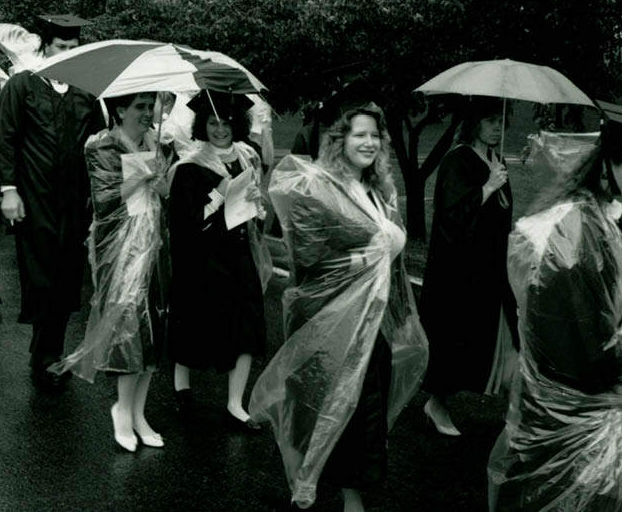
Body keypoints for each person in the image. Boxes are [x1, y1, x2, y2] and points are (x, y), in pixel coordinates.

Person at [249, 104, 428, 511]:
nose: (369, 142)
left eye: (374, 136)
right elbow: (308, 258)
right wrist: (364, 259)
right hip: (334, 321)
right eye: (359, 135)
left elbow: (392, 259)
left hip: (375, 319)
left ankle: (335, 486)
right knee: (339, 406)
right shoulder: (321, 190)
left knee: (363, 412)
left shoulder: (379, 192)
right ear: (339, 141)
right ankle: (332, 490)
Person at [487, 102, 622, 511]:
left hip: (595, 398)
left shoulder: (620, 215)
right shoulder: (574, 232)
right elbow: (575, 339)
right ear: (608, 164)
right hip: (575, 403)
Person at [50, 92, 171, 452]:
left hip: (156, 242)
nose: (149, 113)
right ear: (120, 110)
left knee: (154, 324)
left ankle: (139, 413)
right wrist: (142, 173)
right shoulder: (100, 145)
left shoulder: (155, 141)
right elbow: (104, 199)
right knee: (129, 323)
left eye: (151, 106)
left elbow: (163, 192)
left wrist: (161, 173)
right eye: (140, 107)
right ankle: (121, 408)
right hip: (119, 247)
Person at [0, 14, 104, 390]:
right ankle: (45, 356)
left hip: (74, 199)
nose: (67, 54)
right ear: (46, 47)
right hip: (34, 196)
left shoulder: (85, 92)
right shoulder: (22, 85)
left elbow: (98, 144)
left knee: (68, 276)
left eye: (73, 49)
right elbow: (4, 139)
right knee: (42, 275)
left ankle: (49, 351)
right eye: (61, 47)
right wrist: (8, 190)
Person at [167, 90, 271, 431]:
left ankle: (234, 404)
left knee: (247, 325)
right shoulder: (188, 166)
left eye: (226, 122)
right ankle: (182, 386)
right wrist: (218, 195)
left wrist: (257, 204)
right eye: (213, 122)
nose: (220, 130)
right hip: (203, 260)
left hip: (239, 256)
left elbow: (257, 219)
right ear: (203, 124)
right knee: (195, 324)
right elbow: (182, 221)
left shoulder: (247, 158)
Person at [419, 97, 517, 436]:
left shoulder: (497, 159)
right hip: (458, 273)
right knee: (452, 338)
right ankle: (437, 404)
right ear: (474, 123)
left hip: (490, 270)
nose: (495, 128)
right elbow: (451, 218)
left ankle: (516, 409)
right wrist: (488, 186)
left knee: (498, 337)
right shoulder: (456, 160)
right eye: (489, 121)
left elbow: (502, 215)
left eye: (499, 121)